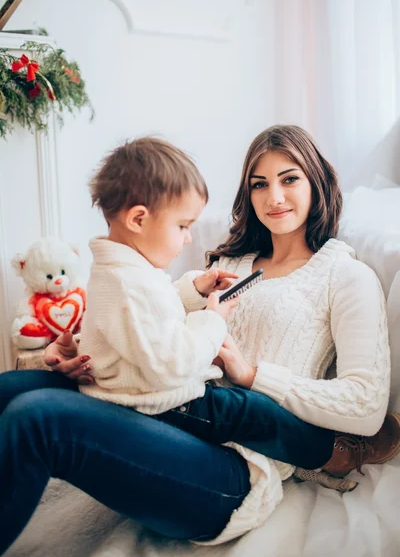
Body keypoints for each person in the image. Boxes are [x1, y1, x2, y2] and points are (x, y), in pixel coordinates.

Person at [0, 125, 398, 556]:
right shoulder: (227, 263)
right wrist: (81, 346)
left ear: (316, 181)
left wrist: (252, 375)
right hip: (163, 410)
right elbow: (145, 324)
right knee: (9, 390)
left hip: (233, 469)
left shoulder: (345, 275)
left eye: (289, 179)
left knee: (38, 418)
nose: (274, 197)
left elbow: (365, 404)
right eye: (259, 184)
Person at [76, 136, 334, 465]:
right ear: (138, 219)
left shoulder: (121, 270)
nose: (188, 238)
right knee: (250, 410)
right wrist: (212, 318)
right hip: (164, 407)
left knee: (243, 407)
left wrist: (194, 291)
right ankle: (325, 452)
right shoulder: (130, 281)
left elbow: (147, 317)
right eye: (183, 226)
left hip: (148, 400)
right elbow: (172, 364)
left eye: (290, 178)